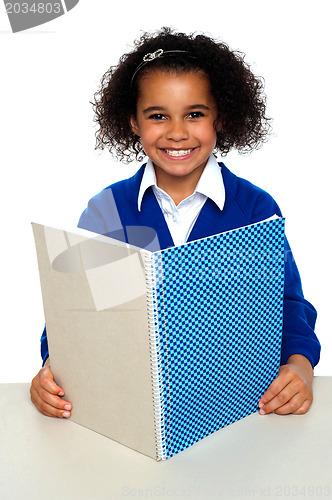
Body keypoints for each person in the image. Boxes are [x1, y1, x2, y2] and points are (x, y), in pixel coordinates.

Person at [30, 27, 320, 420]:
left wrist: (300, 366)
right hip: (133, 413)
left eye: (195, 114)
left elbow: (287, 304)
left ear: (220, 117)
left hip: (241, 412)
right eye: (158, 116)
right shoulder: (106, 212)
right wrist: (52, 370)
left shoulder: (255, 208)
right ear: (133, 121)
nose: (178, 132)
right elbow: (75, 318)